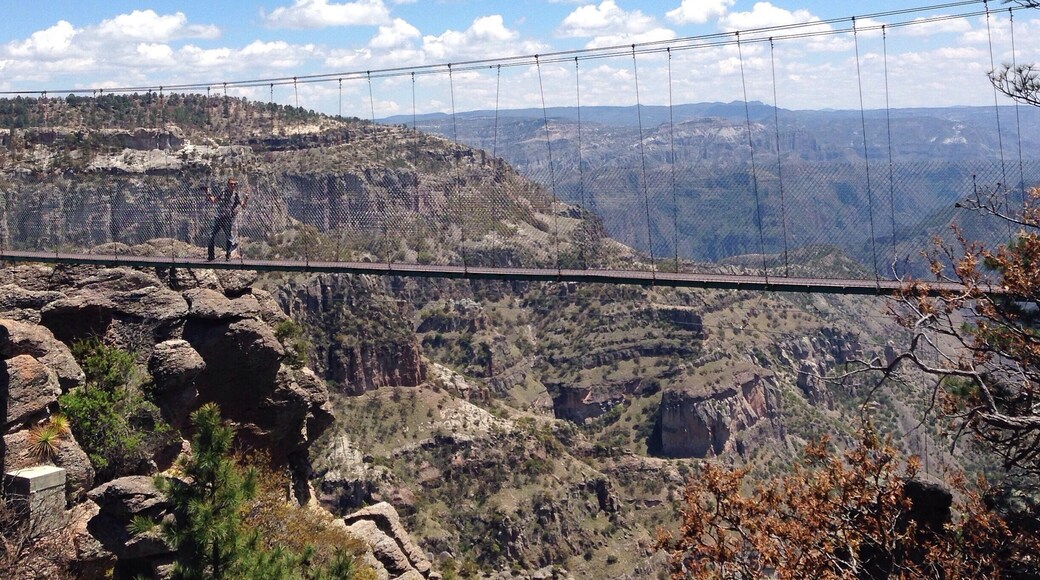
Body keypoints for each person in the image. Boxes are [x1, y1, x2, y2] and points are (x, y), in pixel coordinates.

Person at [206, 178, 248, 261]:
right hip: (218, 217)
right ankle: (211, 255)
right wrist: (208, 193)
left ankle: (228, 255)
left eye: (234, 184)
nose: (232, 186)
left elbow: (243, 206)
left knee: (229, 237)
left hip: (227, 218)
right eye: (231, 184)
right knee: (210, 235)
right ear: (228, 184)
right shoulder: (223, 192)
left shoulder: (236, 195)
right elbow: (214, 201)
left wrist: (246, 198)